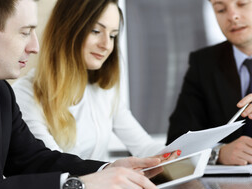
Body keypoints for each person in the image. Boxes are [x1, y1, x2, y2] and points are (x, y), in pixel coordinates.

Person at [0, 0, 163, 189]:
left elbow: (33, 160)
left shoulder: (0, 91)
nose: (35, 46)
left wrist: (107, 170)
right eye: (25, 33)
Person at [12, 0, 180, 161]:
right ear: (67, 29)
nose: (106, 45)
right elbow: (54, 165)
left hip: (106, 187)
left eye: (113, 36)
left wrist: (176, 156)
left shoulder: (103, 91)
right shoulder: (25, 94)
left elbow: (145, 148)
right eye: (96, 31)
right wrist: (114, 171)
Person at [167, 0, 252, 166]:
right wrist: (218, 153)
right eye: (220, 9)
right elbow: (176, 143)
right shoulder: (203, 64)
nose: (232, 16)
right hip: (227, 187)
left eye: (242, 4)